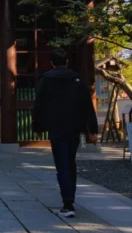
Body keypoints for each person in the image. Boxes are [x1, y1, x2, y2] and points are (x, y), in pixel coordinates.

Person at [32, 48, 98, 218]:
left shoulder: (46, 79)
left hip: (56, 127)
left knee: (61, 164)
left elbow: (39, 104)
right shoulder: (76, 79)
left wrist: (38, 127)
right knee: (70, 161)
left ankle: (67, 203)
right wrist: (92, 129)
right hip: (74, 127)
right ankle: (71, 199)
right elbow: (87, 105)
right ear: (67, 61)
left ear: (52, 62)